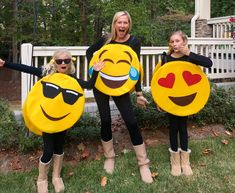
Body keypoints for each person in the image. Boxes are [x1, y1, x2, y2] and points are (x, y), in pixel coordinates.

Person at [0, 48, 104, 193]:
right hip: (46, 119)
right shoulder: (47, 74)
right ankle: (42, 179)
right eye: (59, 61)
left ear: (70, 63)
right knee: (48, 151)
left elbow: (89, 85)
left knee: (59, 148)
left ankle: (56, 177)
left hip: (62, 121)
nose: (63, 63)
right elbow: (26, 69)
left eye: (66, 61)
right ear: (54, 62)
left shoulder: (72, 80)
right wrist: (5, 64)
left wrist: (97, 71)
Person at [86, 11, 153, 183]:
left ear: (129, 24)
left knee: (130, 121)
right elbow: (89, 52)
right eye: (119, 22)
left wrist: (138, 92)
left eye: (125, 23)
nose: (122, 26)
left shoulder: (134, 41)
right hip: (101, 84)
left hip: (121, 85)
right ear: (114, 24)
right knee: (106, 120)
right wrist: (96, 67)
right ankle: (109, 157)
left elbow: (135, 67)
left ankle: (143, 163)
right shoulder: (105, 39)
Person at [154, 31, 213, 176]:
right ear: (170, 44)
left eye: (177, 41)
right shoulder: (165, 59)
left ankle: (185, 162)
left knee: (183, 128)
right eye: (172, 41)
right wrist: (158, 101)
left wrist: (189, 53)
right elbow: (156, 82)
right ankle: (175, 161)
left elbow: (209, 63)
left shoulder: (190, 58)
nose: (175, 44)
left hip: (186, 102)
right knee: (173, 128)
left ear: (184, 42)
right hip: (170, 101)